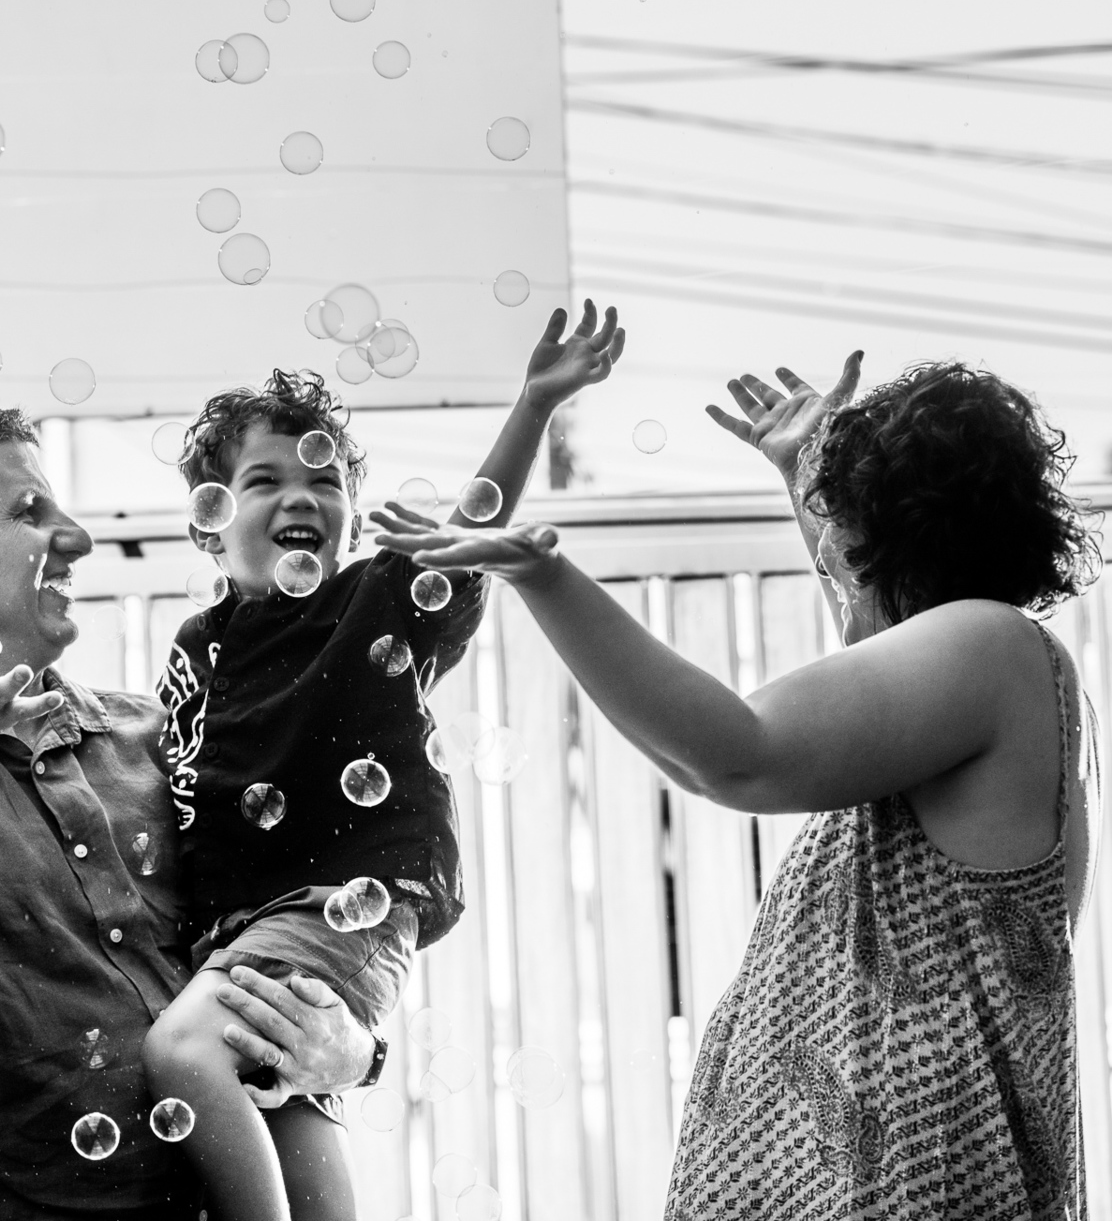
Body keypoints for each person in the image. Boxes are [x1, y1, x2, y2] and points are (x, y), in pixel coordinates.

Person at [375, 352, 1103, 1220]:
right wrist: (805, 480)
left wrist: (544, 576)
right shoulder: (993, 669)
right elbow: (870, 660)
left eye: (844, 539)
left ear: (893, 529)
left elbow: (733, 753)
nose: (832, 561)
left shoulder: (987, 646)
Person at [144, 301, 624, 1221]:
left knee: (181, 1051)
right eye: (263, 479)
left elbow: (470, 527)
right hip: (244, 931)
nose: (300, 497)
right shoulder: (196, 646)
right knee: (286, 1111)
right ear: (210, 525)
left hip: (339, 905)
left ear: (353, 518)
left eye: (323, 480)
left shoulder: (378, 597)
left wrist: (534, 404)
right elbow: (183, 786)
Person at [0, 406, 398, 1221]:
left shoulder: (173, 737)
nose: (78, 538)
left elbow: (290, 930)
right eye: (29, 511)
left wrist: (354, 1050)